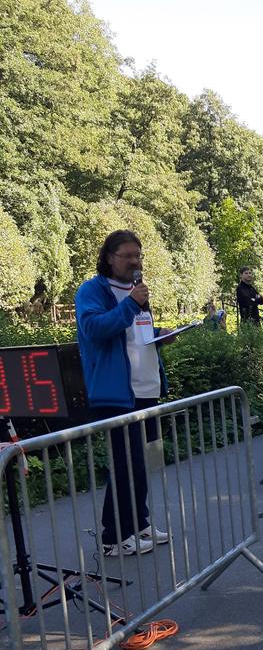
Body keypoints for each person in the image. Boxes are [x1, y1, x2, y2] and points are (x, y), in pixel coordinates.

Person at [75, 230, 175, 557]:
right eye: (127, 256)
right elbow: (94, 329)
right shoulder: (93, 291)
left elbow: (134, 335)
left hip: (146, 390)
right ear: (109, 258)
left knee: (141, 463)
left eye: (138, 255)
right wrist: (132, 303)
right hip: (116, 394)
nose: (135, 261)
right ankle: (113, 537)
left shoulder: (137, 291)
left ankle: (139, 523)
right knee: (123, 465)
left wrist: (160, 334)